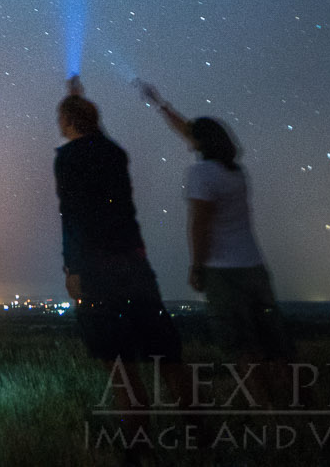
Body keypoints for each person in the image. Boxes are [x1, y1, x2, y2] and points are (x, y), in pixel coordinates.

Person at [138, 81, 295, 378]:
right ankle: (294, 403)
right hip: (254, 267)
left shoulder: (202, 174)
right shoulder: (236, 173)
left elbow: (200, 225)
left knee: (240, 346)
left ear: (202, 143)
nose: (187, 138)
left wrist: (197, 267)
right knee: (274, 343)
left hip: (223, 272)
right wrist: (160, 104)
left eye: (193, 137)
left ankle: (263, 410)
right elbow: (188, 130)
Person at [55, 75, 185, 416]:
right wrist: (78, 100)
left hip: (97, 267)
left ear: (68, 121)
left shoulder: (67, 158)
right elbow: (100, 140)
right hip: (133, 261)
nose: (59, 125)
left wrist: (72, 267)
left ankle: (138, 448)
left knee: (119, 364)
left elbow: (71, 214)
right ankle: (201, 435)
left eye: (62, 118)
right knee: (165, 355)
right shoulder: (114, 153)